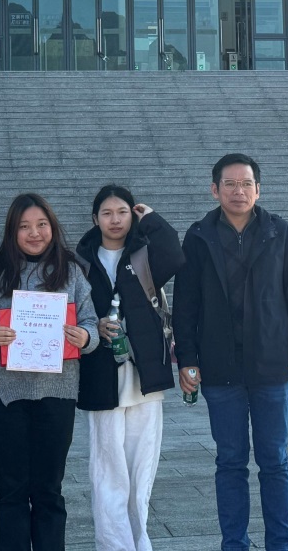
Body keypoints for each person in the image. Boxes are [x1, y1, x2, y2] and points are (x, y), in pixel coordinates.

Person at [172, 153, 288, 551]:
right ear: (214, 189)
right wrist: (188, 359)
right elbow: (185, 305)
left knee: (275, 460)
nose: (239, 191)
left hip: (271, 365)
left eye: (246, 183)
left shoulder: (278, 232)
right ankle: (233, 544)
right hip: (220, 368)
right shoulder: (199, 236)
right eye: (230, 184)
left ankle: (281, 544)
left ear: (258, 189)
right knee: (230, 461)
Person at [0, 193, 99, 551]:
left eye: (42, 224)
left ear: (52, 227)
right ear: (12, 232)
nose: (34, 233)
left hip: (57, 394)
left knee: (49, 490)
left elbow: (91, 322)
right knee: (10, 490)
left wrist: (85, 336)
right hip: (6, 396)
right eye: (24, 226)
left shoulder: (71, 272)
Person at [76, 185, 184, 551]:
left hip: (143, 374)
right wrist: (93, 327)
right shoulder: (80, 261)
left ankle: (140, 541)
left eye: (122, 212)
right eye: (107, 213)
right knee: (107, 469)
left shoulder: (143, 255)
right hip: (99, 375)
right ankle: (114, 544)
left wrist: (150, 218)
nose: (115, 220)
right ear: (95, 219)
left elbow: (175, 254)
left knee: (141, 468)